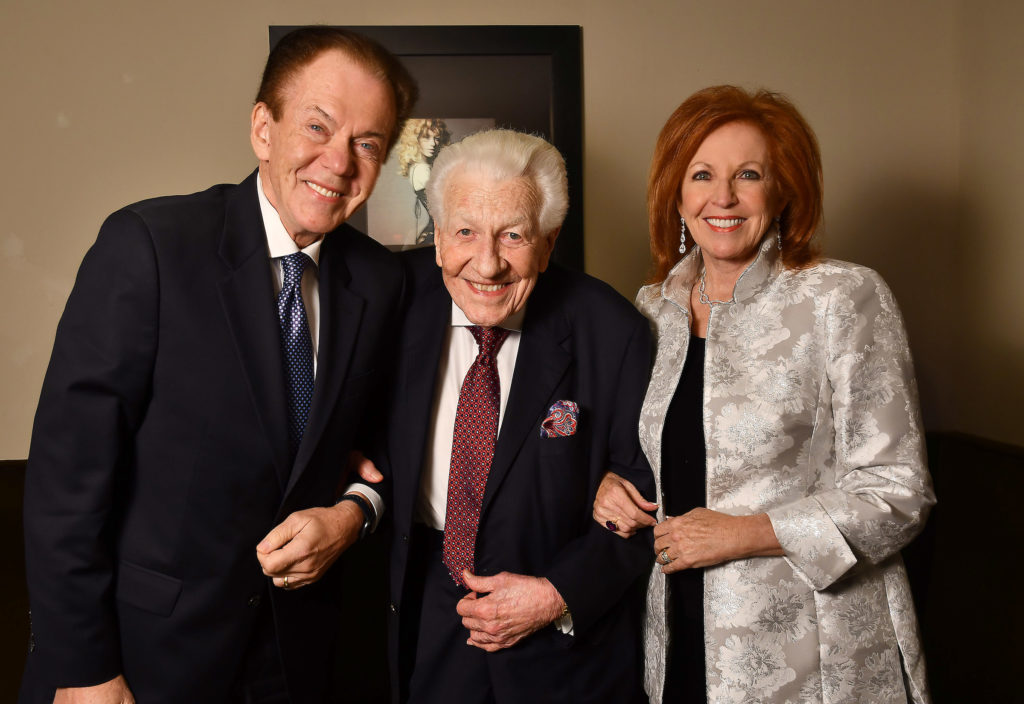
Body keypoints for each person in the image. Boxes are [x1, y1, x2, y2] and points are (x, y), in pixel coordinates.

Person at [20, 26, 416, 704]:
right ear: (264, 128)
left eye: (367, 143)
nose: (340, 162)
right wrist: (84, 669)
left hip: (303, 662)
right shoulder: (148, 247)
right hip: (140, 660)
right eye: (318, 127)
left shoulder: (380, 283)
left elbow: (387, 441)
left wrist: (355, 514)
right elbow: (67, 481)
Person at [591, 85, 935, 703]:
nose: (722, 197)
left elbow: (899, 492)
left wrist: (743, 533)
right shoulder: (651, 311)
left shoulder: (842, 297)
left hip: (812, 651)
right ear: (677, 194)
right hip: (673, 633)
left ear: (783, 192)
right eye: (701, 175)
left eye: (748, 174)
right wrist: (607, 483)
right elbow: (647, 449)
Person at [379, 129, 653, 703]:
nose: (487, 263)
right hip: (416, 623)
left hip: (560, 650)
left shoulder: (613, 331)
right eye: (465, 232)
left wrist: (557, 593)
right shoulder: (390, 308)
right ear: (436, 240)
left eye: (513, 235)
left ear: (548, 243)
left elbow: (647, 505)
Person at [397, 118, 452, 244]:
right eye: (426, 138)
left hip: (432, 232)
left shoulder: (417, 167)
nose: (433, 143)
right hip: (435, 234)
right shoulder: (423, 170)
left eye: (437, 138)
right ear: (415, 140)